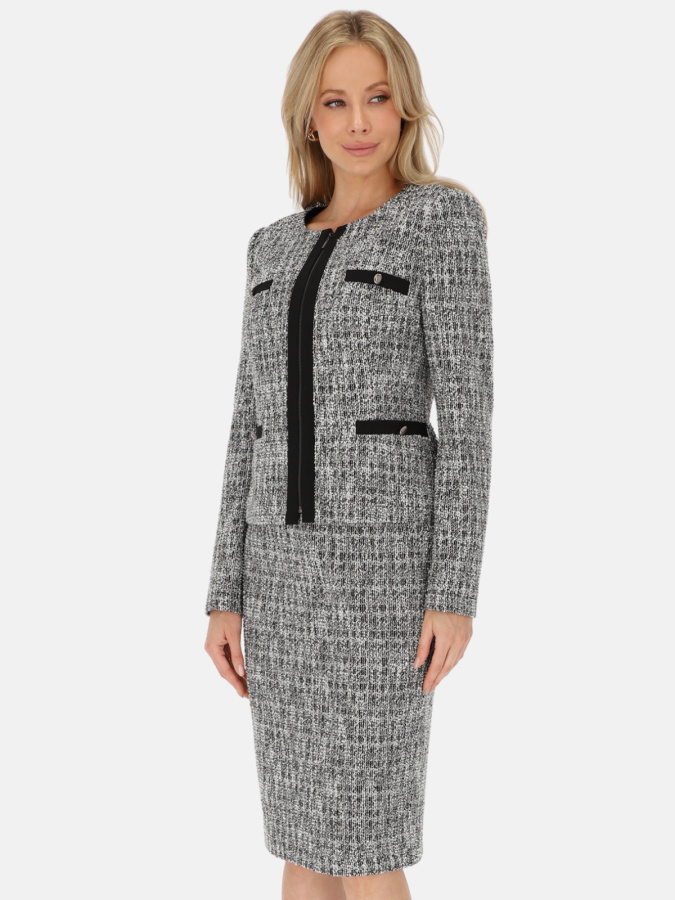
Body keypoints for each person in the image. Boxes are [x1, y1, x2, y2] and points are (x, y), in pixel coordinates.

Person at [203, 10, 494, 900]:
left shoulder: (439, 221)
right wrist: (224, 593)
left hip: (382, 577)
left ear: (406, 108)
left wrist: (452, 592)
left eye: (377, 98)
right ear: (308, 116)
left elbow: (469, 420)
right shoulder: (269, 246)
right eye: (335, 101)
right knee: (301, 841)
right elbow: (246, 424)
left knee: (367, 842)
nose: (358, 121)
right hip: (279, 579)